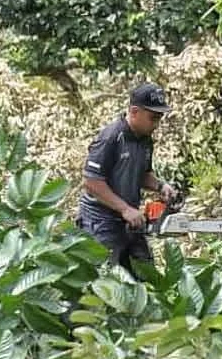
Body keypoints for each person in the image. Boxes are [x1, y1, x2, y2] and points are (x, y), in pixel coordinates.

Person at [76, 82, 178, 277]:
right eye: (153, 118)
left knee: (147, 277)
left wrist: (160, 186)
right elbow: (91, 182)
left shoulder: (145, 139)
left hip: (130, 222)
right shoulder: (112, 137)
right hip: (101, 222)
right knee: (102, 282)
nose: (156, 124)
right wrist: (125, 209)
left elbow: (142, 173)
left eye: (159, 119)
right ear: (134, 112)